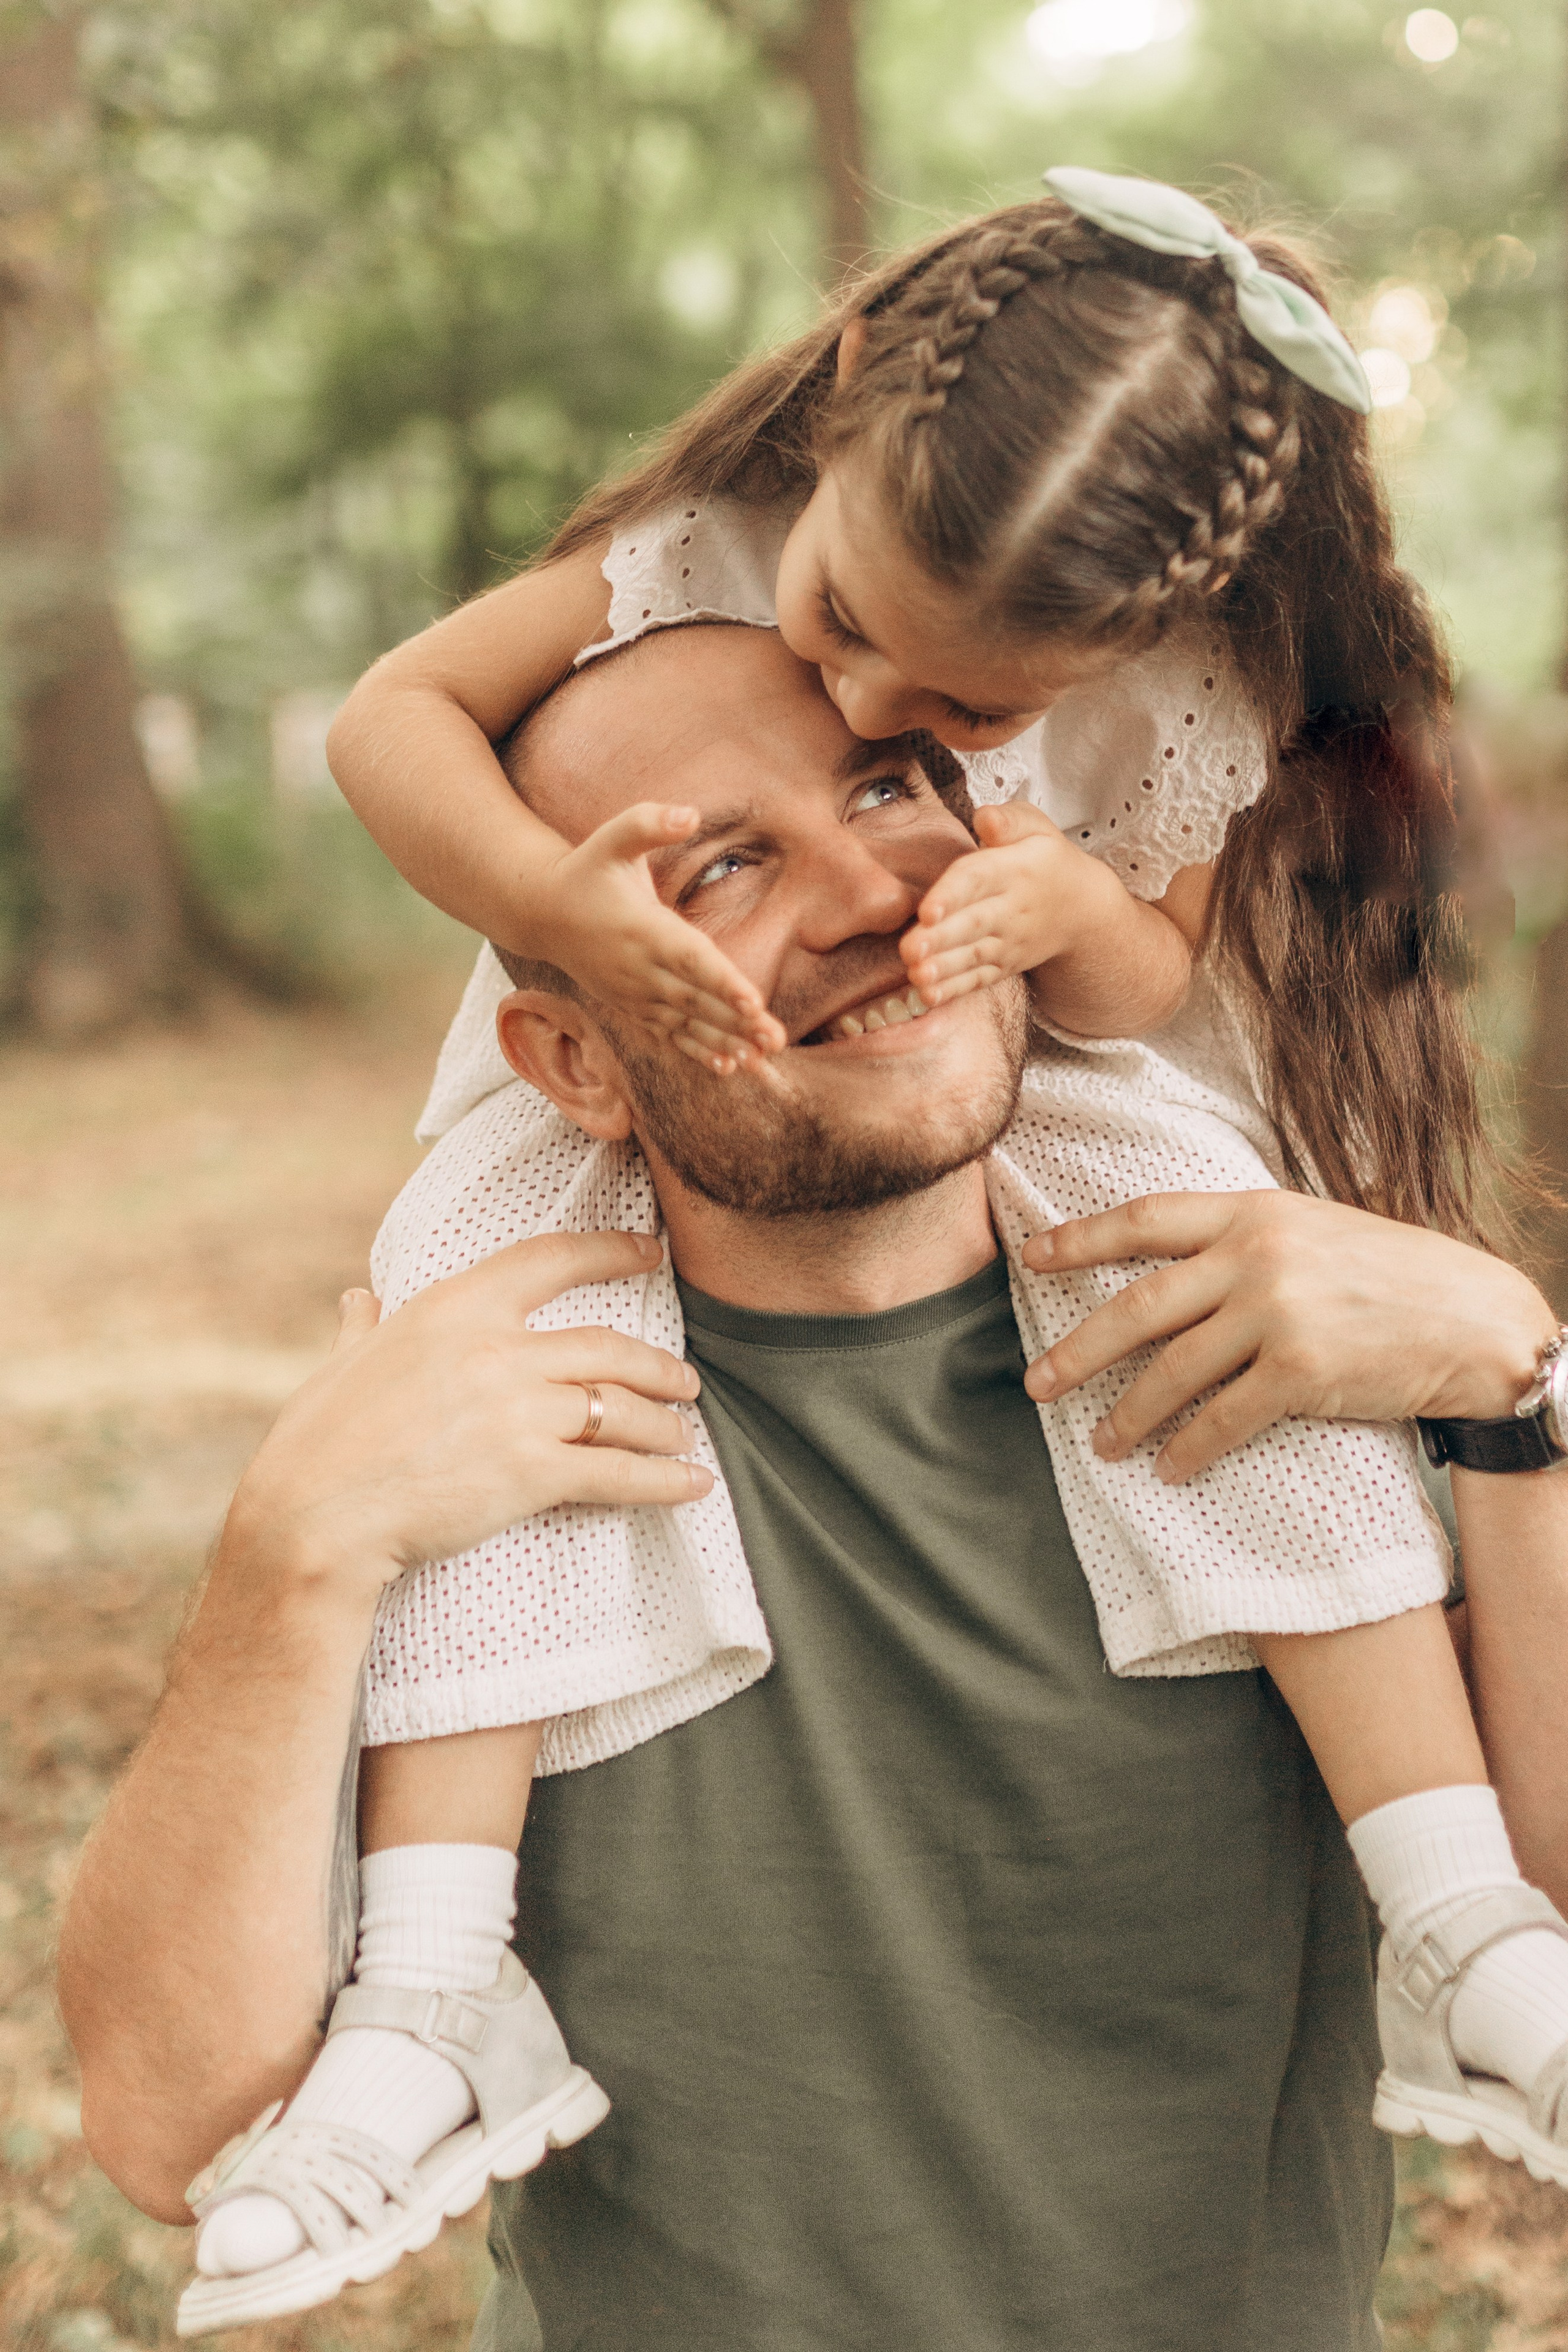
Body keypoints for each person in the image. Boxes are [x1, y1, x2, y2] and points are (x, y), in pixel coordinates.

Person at [66, 620, 1568, 2350]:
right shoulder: (467, 1436)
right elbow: (174, 2133)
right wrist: (294, 1547)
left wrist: (1519, 1384)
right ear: (569, 1065)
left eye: (889, 788)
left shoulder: (1276, 1345)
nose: (868, 894)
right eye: (719, 865)